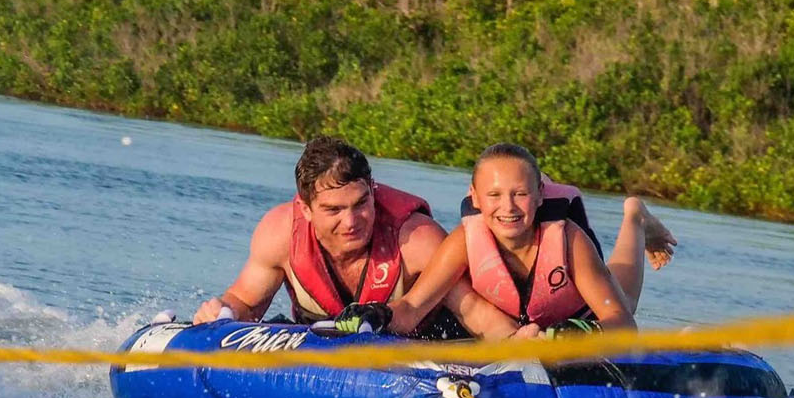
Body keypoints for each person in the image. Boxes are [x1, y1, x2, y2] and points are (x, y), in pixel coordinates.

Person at [193, 138, 502, 338]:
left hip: (424, 352)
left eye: (361, 204)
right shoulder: (280, 233)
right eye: (334, 210)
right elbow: (247, 302)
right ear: (306, 208)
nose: (351, 221)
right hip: (318, 348)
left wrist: (524, 347)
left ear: (373, 190)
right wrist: (223, 311)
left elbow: (475, 313)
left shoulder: (417, 239)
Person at [378, 142, 677, 337]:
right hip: (525, 331)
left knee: (626, 299)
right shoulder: (462, 243)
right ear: (476, 198)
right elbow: (411, 308)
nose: (508, 207)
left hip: (577, 317)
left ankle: (634, 218)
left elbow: (623, 325)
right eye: (494, 195)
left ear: (539, 196)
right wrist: (374, 316)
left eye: (520, 194)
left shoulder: (570, 240)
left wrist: (585, 333)